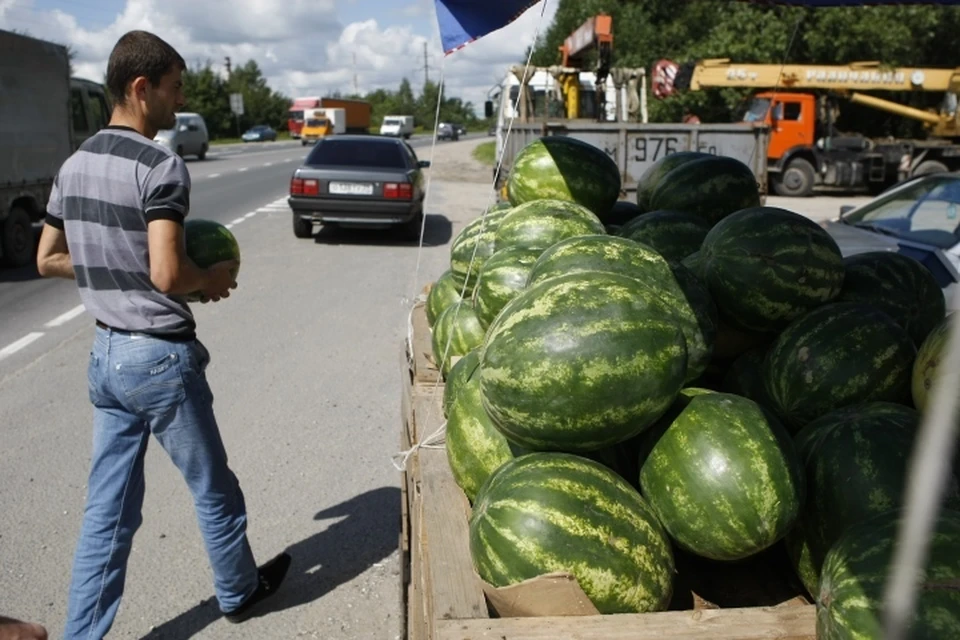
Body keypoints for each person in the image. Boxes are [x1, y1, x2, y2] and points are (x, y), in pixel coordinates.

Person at [35, 30, 290, 638]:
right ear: (140, 88)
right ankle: (239, 589)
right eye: (173, 90)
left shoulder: (74, 165)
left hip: (105, 357)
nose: (179, 103)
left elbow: (49, 257)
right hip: (157, 360)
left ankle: (80, 634)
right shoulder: (159, 165)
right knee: (213, 487)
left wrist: (112, 266)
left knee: (108, 510)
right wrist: (214, 277)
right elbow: (169, 274)